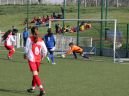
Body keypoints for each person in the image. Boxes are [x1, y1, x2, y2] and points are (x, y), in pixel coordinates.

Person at [24, 26, 48, 96]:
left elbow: (27, 48)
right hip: (38, 59)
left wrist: (25, 54)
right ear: (37, 31)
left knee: (35, 74)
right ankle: (33, 88)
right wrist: (42, 56)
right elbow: (45, 51)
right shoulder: (41, 40)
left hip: (32, 59)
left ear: (31, 32)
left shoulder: (29, 38)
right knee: (35, 74)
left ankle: (42, 90)